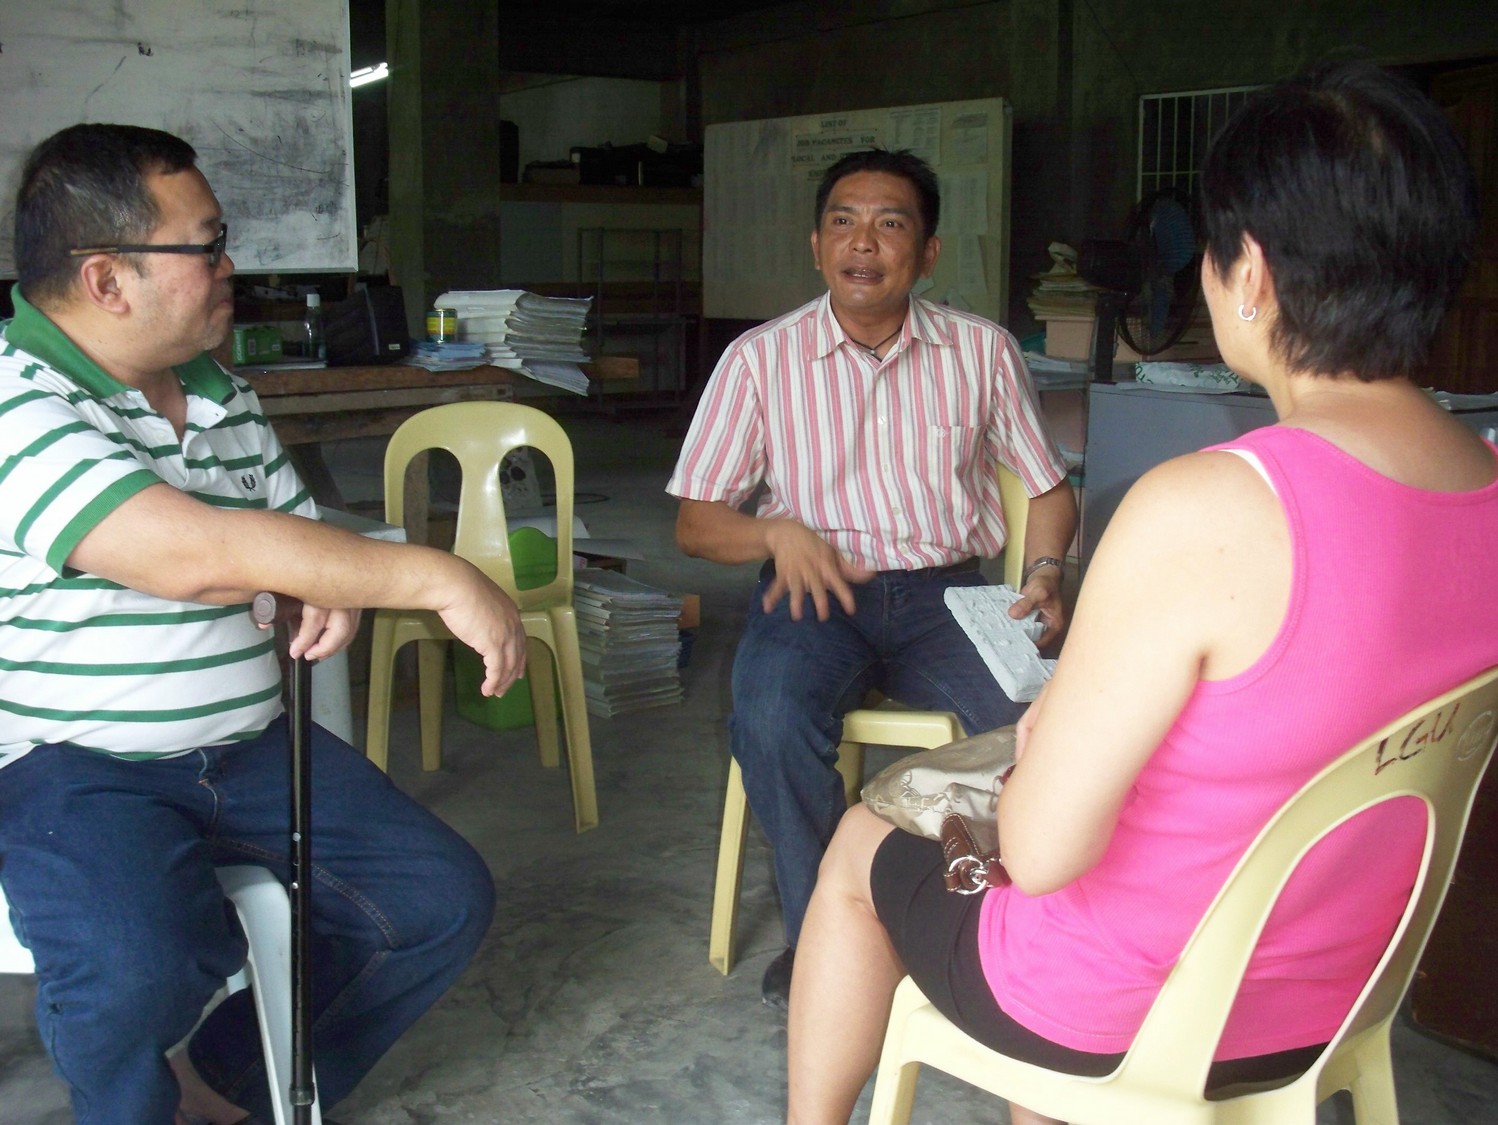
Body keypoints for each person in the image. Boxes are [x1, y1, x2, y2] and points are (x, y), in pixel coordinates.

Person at [784, 60, 1498, 1125]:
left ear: (1249, 273)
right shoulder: (1486, 486)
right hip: (1337, 1001)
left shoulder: (1209, 508)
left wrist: (1040, 745)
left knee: (860, 846)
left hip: (1123, 1010)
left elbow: (1041, 852)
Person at [0, 124, 529, 1125]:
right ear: (107, 278)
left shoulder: (222, 394)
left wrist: (309, 575)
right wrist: (435, 575)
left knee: (434, 902)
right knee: (138, 965)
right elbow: (191, 553)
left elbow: (288, 539)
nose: (228, 265)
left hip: (249, 749)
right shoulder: (15, 399)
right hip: (75, 765)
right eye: (205, 246)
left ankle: (222, 1088)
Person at [668, 148, 1078, 1007]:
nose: (864, 242)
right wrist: (774, 532)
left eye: (890, 224)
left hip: (948, 593)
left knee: (1049, 728)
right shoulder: (759, 359)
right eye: (844, 222)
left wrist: (1044, 571)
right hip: (813, 592)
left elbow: (1045, 487)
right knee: (771, 718)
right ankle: (824, 933)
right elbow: (697, 522)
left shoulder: (982, 351)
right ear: (817, 246)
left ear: (926, 253)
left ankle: (1015, 937)